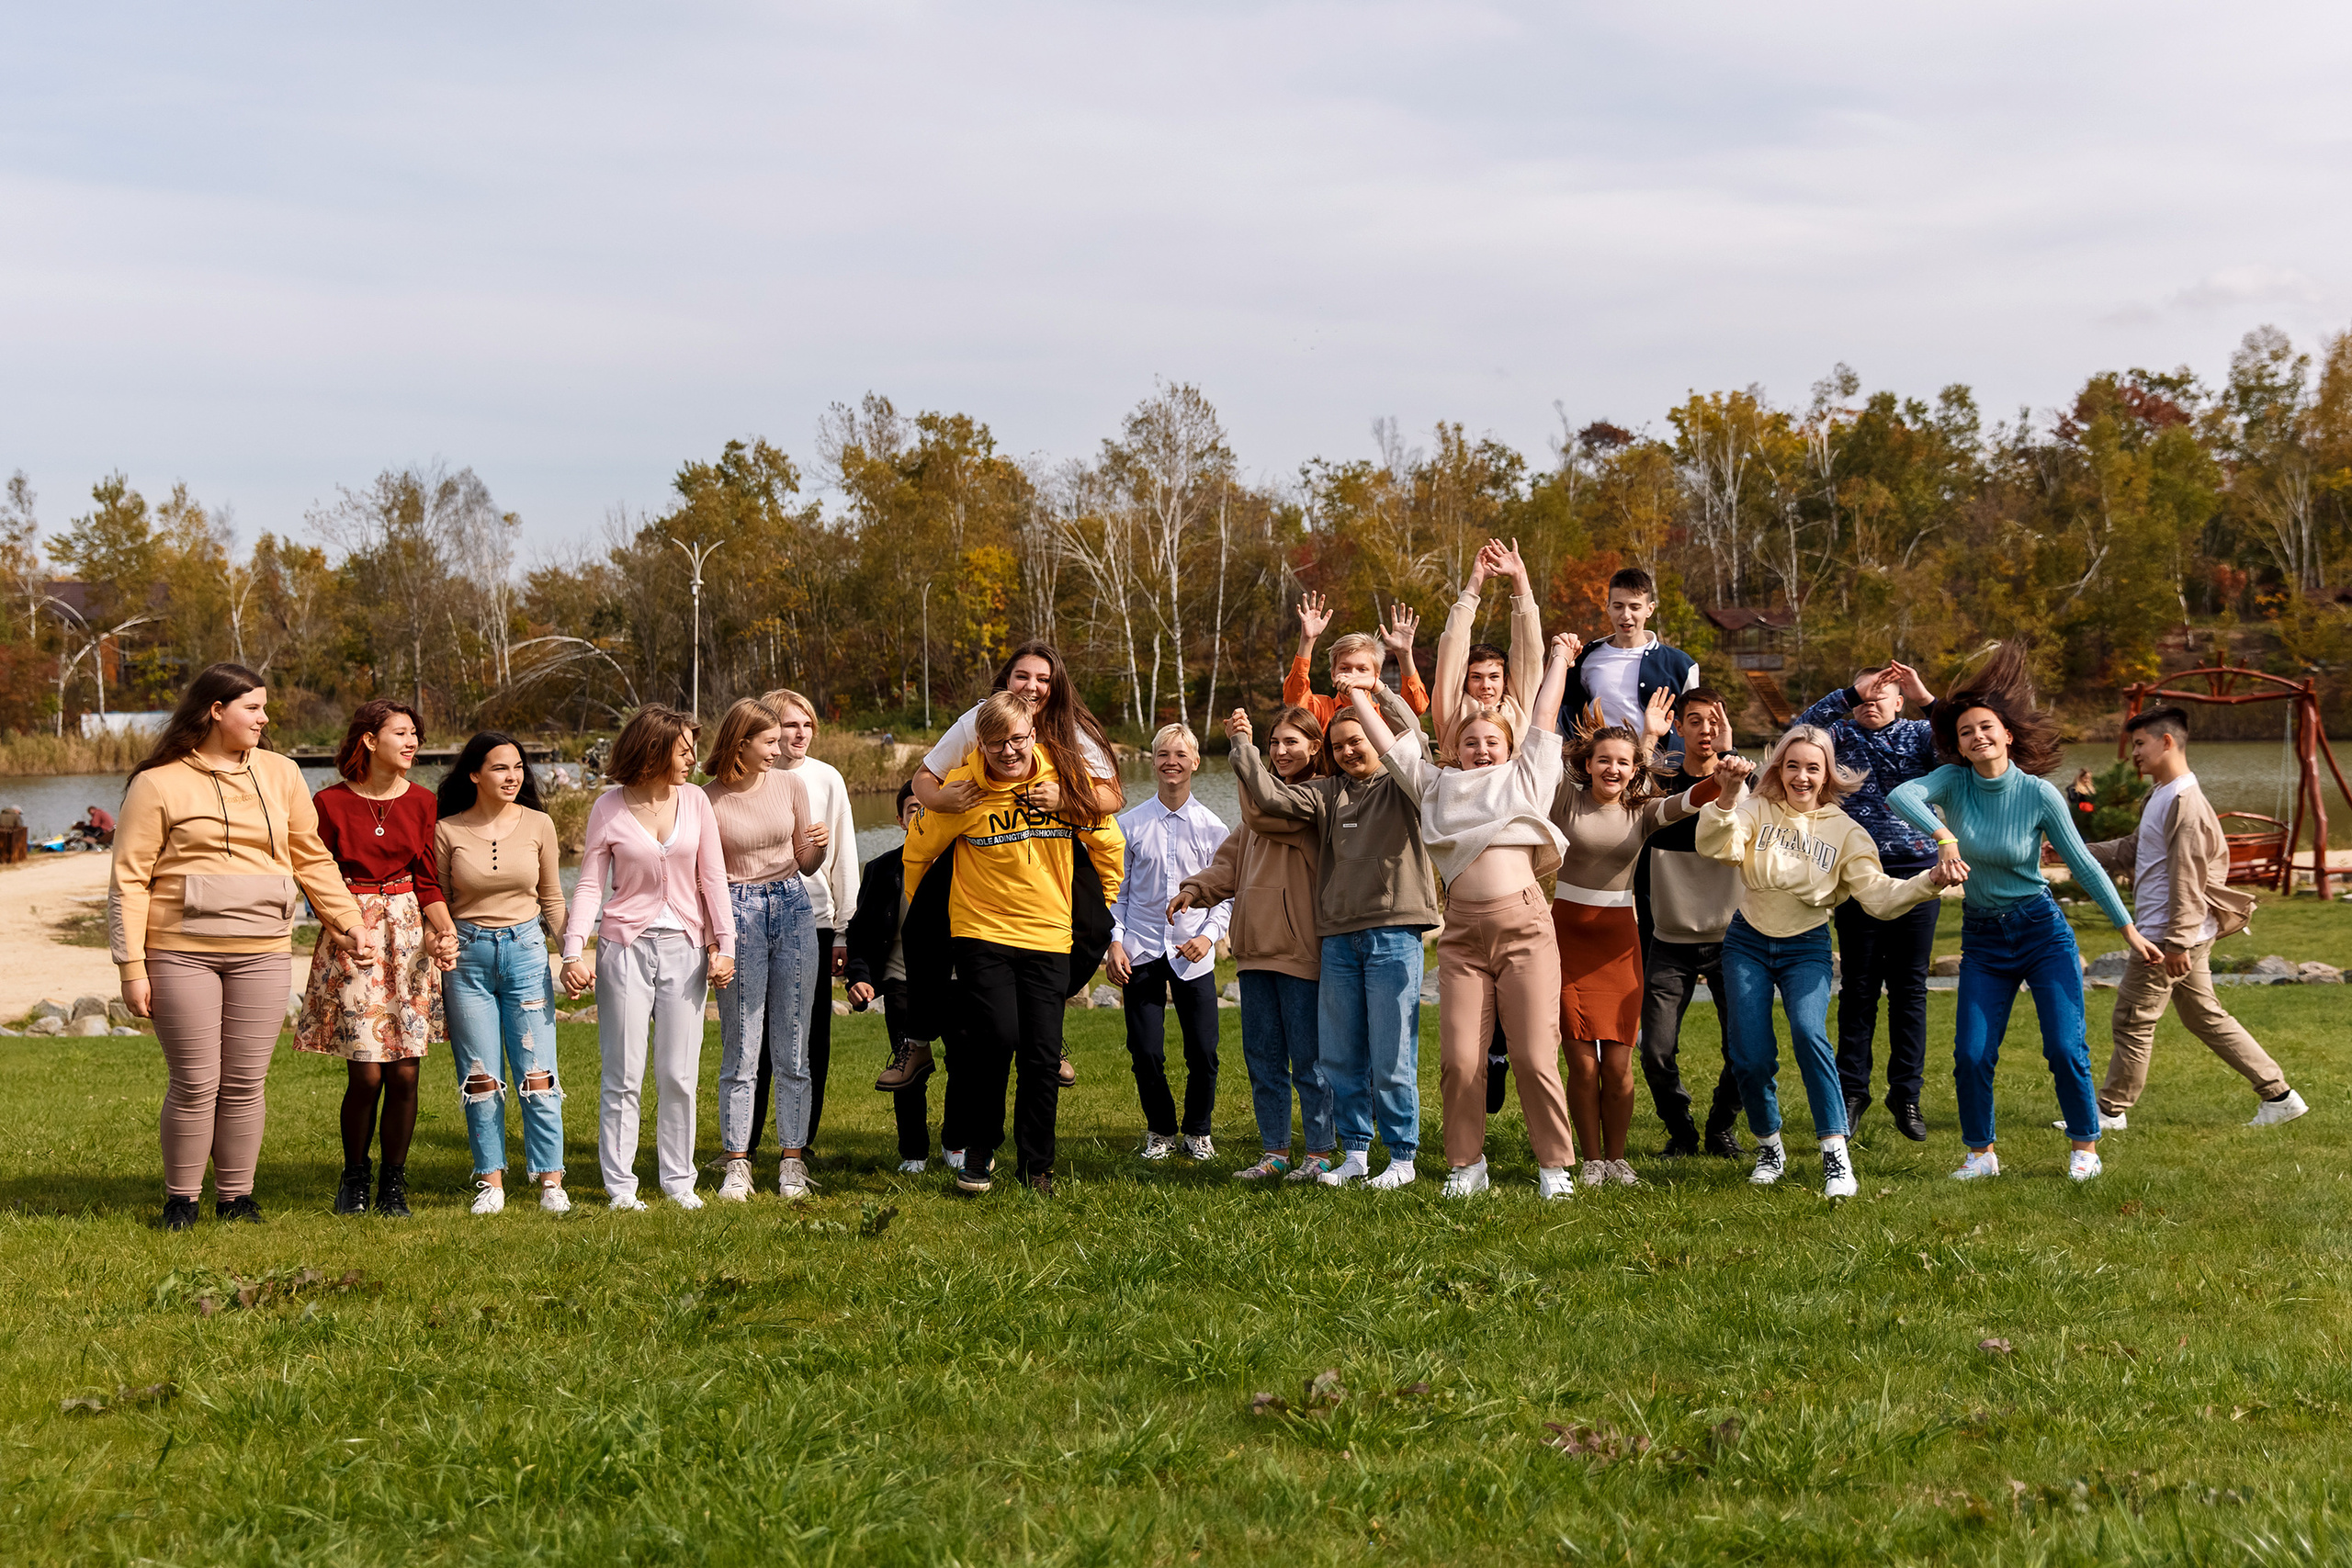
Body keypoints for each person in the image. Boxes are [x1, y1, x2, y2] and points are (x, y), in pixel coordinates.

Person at [1887, 642, 2163, 1183]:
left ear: (2007, 734)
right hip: (1984, 938)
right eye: (1966, 732)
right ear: (1959, 745)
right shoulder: (1954, 783)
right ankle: (1980, 1154)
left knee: (2064, 1046)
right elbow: (1902, 797)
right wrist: (1944, 836)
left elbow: (2084, 865)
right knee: (1971, 1053)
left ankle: (2085, 1147)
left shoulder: (2039, 794)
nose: (1978, 737)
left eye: (1986, 727)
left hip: (2041, 932)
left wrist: (2128, 930)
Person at [111, 662, 368, 1231]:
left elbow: (310, 856)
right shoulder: (158, 782)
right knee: (196, 1082)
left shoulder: (281, 773)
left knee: (247, 1082)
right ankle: (181, 1201)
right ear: (215, 711)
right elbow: (129, 879)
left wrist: (347, 920)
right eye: (253, 707)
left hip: (264, 949)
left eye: (264, 707)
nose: (264, 718)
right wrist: (131, 966)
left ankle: (236, 1199)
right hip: (180, 951)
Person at [1354, 630, 1582, 1199]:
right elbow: (1391, 747)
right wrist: (1359, 692)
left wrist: (1559, 658)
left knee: (1533, 1056)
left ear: (1509, 746)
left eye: (1493, 741)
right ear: (1455, 746)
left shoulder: (1527, 775)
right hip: (1461, 937)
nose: (1482, 749)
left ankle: (1554, 1167)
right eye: (1471, 741)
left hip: (1524, 929)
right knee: (1459, 1060)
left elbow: (1545, 714)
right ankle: (1466, 1165)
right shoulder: (1436, 786)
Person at [1697, 730, 1953, 1198]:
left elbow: (1878, 895)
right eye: (1792, 765)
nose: (1802, 776)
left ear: (1827, 775)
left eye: (1812, 768)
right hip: (1748, 940)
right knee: (1749, 1056)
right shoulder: (1756, 808)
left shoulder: (1845, 830)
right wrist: (1729, 794)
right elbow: (1719, 848)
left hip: (1806, 945)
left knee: (1809, 1033)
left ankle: (1835, 1154)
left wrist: (1928, 881)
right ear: (1779, 770)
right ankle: (1770, 1147)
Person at [901, 692, 1125, 1196]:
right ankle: (980, 1150)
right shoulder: (963, 791)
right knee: (995, 1041)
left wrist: (1104, 899)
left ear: (1033, 736)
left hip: (1049, 935)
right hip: (982, 935)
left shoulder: (1060, 784)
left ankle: (1036, 1167)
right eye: (996, 743)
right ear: (979, 743)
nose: (1008, 751)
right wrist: (932, 915)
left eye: (1018, 740)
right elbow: (918, 851)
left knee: (1042, 1057)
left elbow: (1109, 840)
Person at [1229, 681, 1436, 1190]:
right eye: (1339, 745)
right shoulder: (1327, 793)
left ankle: (1402, 1158)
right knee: (1340, 1057)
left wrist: (1377, 691)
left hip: (1393, 933)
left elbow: (1413, 736)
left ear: (1375, 739)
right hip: (1339, 937)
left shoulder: (1405, 782)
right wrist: (1242, 746)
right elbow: (1269, 796)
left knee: (1391, 1055)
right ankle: (1356, 1154)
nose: (1347, 751)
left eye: (1357, 741)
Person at [2077, 706, 2305, 1130]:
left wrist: (2178, 942)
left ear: (2167, 742)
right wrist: (2074, 851)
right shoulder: (2161, 794)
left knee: (2132, 1019)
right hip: (2181, 934)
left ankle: (2109, 1112)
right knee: (2205, 1016)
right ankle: (2280, 1096)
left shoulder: (2187, 804)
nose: (2134, 754)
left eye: (2140, 744)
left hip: (2167, 936)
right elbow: (2134, 849)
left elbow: (2189, 878)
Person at [560, 705, 735, 1211]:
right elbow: (589, 885)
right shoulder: (607, 807)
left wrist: (725, 946)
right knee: (623, 1074)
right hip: (624, 949)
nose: (693, 759)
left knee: (679, 1074)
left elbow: (713, 878)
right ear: (653, 751)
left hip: (686, 949)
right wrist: (573, 950)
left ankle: (679, 1182)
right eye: (684, 751)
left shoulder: (696, 801)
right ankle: (621, 1187)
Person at [296, 699, 459, 1220]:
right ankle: (354, 1178)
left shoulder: (423, 801)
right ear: (369, 740)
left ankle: (393, 1184)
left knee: (405, 1073)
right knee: (366, 1074)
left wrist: (445, 931)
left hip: (407, 936)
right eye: (401, 733)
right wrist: (342, 929)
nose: (412, 743)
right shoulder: (328, 803)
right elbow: (315, 881)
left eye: (415, 734)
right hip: (354, 934)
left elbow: (427, 879)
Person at [1548, 682, 1713, 1187]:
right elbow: (1539, 742)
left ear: (1634, 769)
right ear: (1588, 764)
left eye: (1623, 762)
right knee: (1583, 1066)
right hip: (1566, 944)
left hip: (1620, 946)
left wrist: (1724, 778)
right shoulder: (1564, 798)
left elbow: (1688, 801)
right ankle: (1591, 1161)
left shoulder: (1642, 811)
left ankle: (1618, 1161)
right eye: (1603, 760)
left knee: (1618, 1066)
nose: (1612, 769)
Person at [1171, 705, 1334, 1182]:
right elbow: (1230, 864)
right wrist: (1196, 889)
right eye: (1274, 743)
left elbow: (1265, 811)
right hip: (1254, 952)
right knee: (1263, 1060)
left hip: (1300, 952)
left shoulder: (1316, 798)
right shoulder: (1256, 810)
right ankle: (1274, 1153)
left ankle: (1320, 1151)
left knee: (1309, 1063)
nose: (1281, 751)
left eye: (1292, 742)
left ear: (1315, 748)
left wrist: (1241, 748)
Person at [1794, 660, 1944, 1141]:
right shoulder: (1838, 736)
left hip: (1917, 872)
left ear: (1900, 701)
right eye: (1865, 695)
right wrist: (1848, 693)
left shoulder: (1919, 734)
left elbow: (1958, 743)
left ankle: (1906, 1093)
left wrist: (1926, 697)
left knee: (1909, 989)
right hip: (1859, 875)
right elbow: (1797, 733)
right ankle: (1852, 1092)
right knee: (1858, 988)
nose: (1871, 702)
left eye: (1883, 694)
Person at [435, 730, 572, 1216]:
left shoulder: (539, 824)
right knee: (480, 1076)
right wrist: (439, 938)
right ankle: (490, 1181)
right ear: (474, 774)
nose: (512, 777)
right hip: (467, 958)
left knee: (538, 1072)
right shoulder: (446, 830)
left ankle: (551, 1180)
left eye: (518, 767)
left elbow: (552, 897)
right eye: (500, 768)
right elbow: (439, 901)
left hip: (527, 953)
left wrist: (572, 954)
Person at [1433, 538, 1544, 1113]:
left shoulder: (1518, 715)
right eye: (1476, 677)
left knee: (1520, 969)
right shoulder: (1454, 722)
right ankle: (1486, 1055)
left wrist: (1520, 585)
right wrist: (1473, 587)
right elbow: (1450, 653)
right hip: (1468, 864)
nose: (1485, 685)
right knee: (1476, 966)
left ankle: (1504, 1052)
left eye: (1494, 675)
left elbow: (1531, 654)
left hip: (1517, 859)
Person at [703, 698, 830, 1201]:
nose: (781, 749)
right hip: (737, 912)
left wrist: (819, 844)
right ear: (741, 743)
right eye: (770, 741)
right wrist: (715, 941)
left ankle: (792, 1162)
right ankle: (738, 1163)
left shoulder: (791, 786)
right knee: (741, 1046)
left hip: (793, 908)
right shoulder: (707, 799)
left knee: (794, 1045)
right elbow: (705, 879)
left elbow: (807, 863)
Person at [1632, 686, 1745, 1158]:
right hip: (1668, 940)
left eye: (1714, 721)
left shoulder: (1743, 787)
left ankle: (1721, 1127)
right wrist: (1647, 739)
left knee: (1744, 1047)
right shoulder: (1662, 784)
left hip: (1734, 941)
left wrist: (1732, 759)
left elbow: (1748, 820)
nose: (1706, 730)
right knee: (1656, 1051)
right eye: (1695, 720)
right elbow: (1629, 796)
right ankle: (1681, 1131)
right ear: (1678, 727)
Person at [1109, 724, 1230, 1161]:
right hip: (1140, 949)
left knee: (1203, 1051)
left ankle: (1198, 1131)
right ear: (1154, 761)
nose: (1171, 762)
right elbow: (1116, 894)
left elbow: (1226, 894)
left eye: (1180, 754)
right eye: (1163, 754)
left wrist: (1208, 937)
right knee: (1145, 1051)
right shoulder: (1129, 825)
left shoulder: (1213, 827)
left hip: (1191, 952)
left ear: (1195, 761)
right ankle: (1160, 1130)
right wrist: (1115, 943)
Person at [755, 688, 860, 1158]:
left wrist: (844, 930)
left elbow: (844, 857)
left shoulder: (827, 778)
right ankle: (744, 1144)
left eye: (807, 725)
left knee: (810, 1037)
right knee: (753, 1038)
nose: (800, 735)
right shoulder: (747, 779)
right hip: (753, 917)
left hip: (814, 921)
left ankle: (801, 1143)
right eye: (789, 725)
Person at [844, 782, 944, 1173]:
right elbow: (860, 932)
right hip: (903, 977)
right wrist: (859, 976)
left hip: (956, 979)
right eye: (913, 808)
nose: (921, 814)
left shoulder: (965, 862)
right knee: (907, 1067)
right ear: (900, 819)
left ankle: (957, 1143)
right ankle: (914, 1153)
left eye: (929, 806)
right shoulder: (882, 869)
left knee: (966, 1065)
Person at [910, 641, 1126, 821]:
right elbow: (924, 776)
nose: (1031, 686)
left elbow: (1114, 797)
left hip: (1059, 846)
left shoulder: (1075, 729)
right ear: (1008, 681)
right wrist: (938, 801)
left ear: (1056, 687)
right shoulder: (975, 722)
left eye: (1043, 680)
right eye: (1022, 677)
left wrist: (1066, 800)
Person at [1555, 567, 1701, 743]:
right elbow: (1564, 715)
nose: (1626, 615)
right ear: (1607, 606)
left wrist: (1724, 753)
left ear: (1650, 609)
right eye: (1618, 606)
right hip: (1599, 759)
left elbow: (1699, 721)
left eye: (1635, 607)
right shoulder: (1584, 659)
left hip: (1659, 760)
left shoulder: (1681, 665)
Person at [1285, 592, 1430, 726]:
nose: (1353, 675)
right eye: (1344, 668)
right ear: (1333, 674)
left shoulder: (1385, 714)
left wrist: (1404, 655)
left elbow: (1415, 708)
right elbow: (1295, 701)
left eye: (1362, 669)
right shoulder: (1321, 709)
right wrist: (1307, 641)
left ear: (1376, 676)